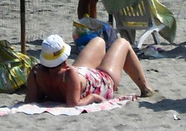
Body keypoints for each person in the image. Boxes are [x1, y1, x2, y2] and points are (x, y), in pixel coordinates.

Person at [24, 33, 152, 104]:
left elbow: (30, 100)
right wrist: (93, 97)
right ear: (64, 59)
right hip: (102, 81)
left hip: (79, 77)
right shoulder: (69, 74)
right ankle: (145, 88)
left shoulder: (36, 72)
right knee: (123, 43)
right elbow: (74, 103)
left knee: (98, 41)